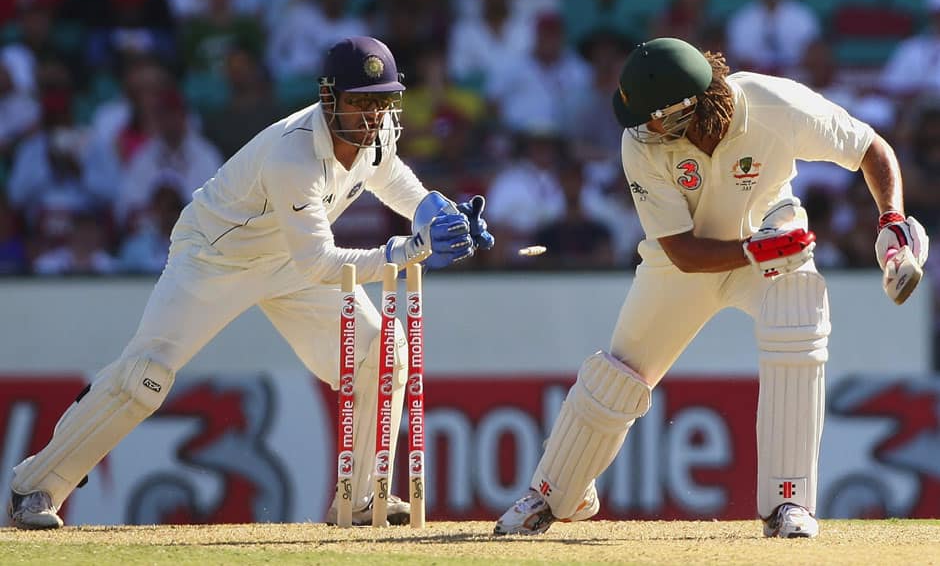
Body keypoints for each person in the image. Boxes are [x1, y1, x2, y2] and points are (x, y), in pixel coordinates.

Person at [7, 36, 495, 530]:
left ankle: (364, 497)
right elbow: (320, 263)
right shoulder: (293, 155)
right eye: (359, 101)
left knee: (383, 352)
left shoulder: (379, 130)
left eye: (382, 101)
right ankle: (35, 486)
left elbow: (387, 175)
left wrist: (436, 209)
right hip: (217, 257)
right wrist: (408, 250)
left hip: (289, 257)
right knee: (145, 378)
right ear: (329, 98)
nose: (372, 115)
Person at [494, 37, 928, 539]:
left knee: (798, 312)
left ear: (688, 106)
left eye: (657, 117)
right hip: (690, 261)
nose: (647, 128)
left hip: (771, 239)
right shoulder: (641, 142)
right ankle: (552, 494)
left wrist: (891, 220)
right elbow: (682, 251)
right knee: (620, 373)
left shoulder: (773, 105)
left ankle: (789, 503)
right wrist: (753, 251)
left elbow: (868, 147)